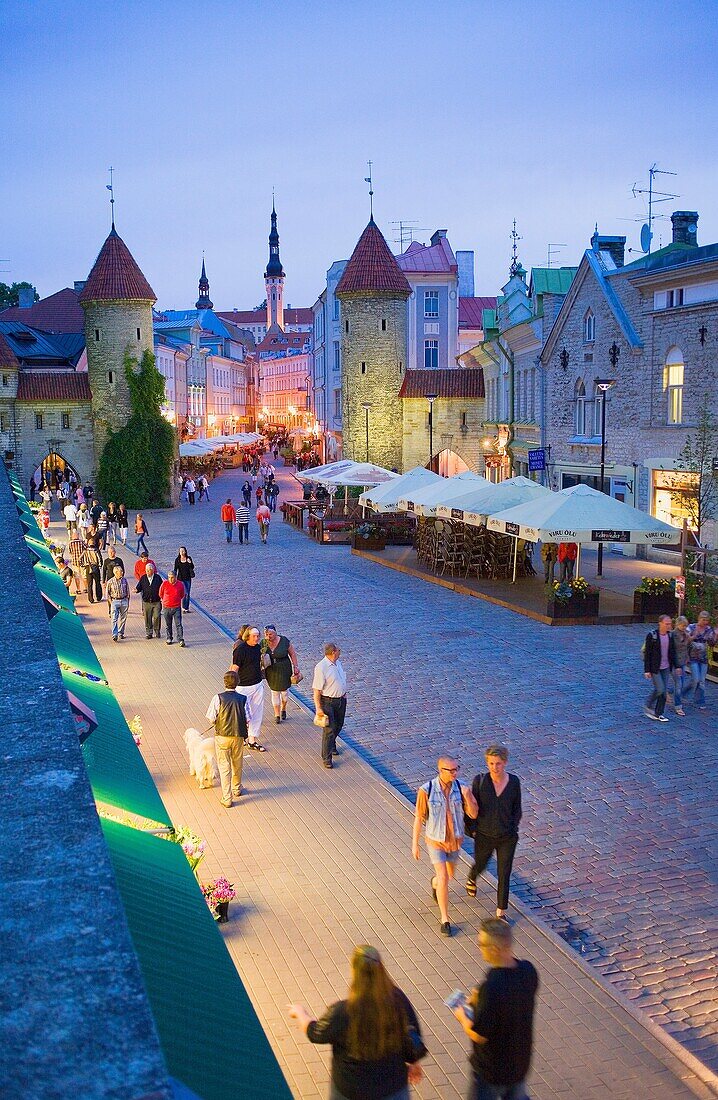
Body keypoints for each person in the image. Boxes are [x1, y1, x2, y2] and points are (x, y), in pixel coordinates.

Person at [288, 944, 426, 1100]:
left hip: (351, 1090)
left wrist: (301, 1014)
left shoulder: (342, 1011)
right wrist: (414, 1062)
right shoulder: (397, 999)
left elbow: (316, 1033)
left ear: (355, 972)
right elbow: (412, 1035)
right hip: (393, 1087)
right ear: (381, 969)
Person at [453, 918, 539, 1100]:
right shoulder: (528, 971)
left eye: (481, 944)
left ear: (494, 949)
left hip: (492, 1071)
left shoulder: (492, 987)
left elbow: (478, 1034)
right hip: (519, 1064)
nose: (479, 948)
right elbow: (511, 1002)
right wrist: (480, 998)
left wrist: (462, 1017)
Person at [412, 756, 478, 936]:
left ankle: (434, 884)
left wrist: (468, 796)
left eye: (457, 769)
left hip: (455, 840)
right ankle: (445, 919)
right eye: (451, 770)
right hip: (435, 840)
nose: (455, 773)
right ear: (441, 771)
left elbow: (473, 815)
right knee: (443, 877)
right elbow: (419, 817)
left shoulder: (461, 787)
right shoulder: (427, 790)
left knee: (449, 876)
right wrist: (415, 844)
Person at [466, 745, 522, 922]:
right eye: (491, 763)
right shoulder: (480, 781)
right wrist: (472, 830)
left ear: (504, 763)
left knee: (504, 872)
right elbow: (471, 807)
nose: (494, 767)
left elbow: (517, 808)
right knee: (481, 863)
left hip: (507, 837)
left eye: (498, 763)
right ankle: (473, 877)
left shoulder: (513, 782)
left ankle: (501, 912)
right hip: (484, 835)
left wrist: (512, 828)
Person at [206, 670, 249, 807]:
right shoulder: (243, 698)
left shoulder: (218, 698)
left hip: (222, 736)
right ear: (237, 683)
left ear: (224, 682)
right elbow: (248, 718)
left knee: (224, 766)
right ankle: (237, 788)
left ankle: (227, 797)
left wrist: (217, 723)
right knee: (237, 763)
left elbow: (211, 717)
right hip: (238, 736)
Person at [230, 626, 266, 751]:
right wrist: (231, 686)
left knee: (257, 713)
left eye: (258, 636)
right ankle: (241, 738)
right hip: (243, 687)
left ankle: (252, 740)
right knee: (243, 715)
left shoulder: (257, 648)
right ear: (248, 636)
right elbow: (234, 668)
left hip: (257, 684)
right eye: (254, 636)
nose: (257, 638)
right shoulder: (240, 650)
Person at [312, 642, 348, 769]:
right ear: (333, 652)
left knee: (339, 724)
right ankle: (326, 758)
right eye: (338, 650)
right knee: (329, 729)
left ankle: (332, 745)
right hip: (328, 702)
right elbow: (317, 690)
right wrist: (318, 708)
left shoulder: (337, 663)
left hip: (341, 700)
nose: (340, 651)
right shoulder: (321, 667)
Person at [264, 625, 301, 723]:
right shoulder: (264, 643)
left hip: (284, 668)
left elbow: (292, 653)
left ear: (276, 633)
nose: (269, 636)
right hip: (271, 670)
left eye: (270, 634)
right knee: (274, 691)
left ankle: (283, 708)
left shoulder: (284, 641)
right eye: (267, 634)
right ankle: (277, 714)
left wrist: (295, 666)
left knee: (284, 692)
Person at [644, 613, 677, 722]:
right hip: (655, 668)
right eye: (666, 624)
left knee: (662, 690)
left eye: (670, 624)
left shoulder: (670, 636)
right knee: (661, 689)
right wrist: (647, 670)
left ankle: (659, 713)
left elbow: (672, 652)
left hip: (666, 667)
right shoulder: (652, 636)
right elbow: (647, 654)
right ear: (660, 623)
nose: (669, 626)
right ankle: (649, 705)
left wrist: (676, 666)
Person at [687, 610, 715, 712]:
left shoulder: (708, 629)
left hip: (703, 658)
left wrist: (715, 636)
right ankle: (684, 692)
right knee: (696, 679)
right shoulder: (691, 627)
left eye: (707, 620)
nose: (705, 622)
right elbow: (685, 640)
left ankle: (700, 701)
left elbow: (712, 643)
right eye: (703, 620)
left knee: (702, 681)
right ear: (699, 619)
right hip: (693, 657)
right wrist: (693, 636)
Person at [671, 615, 692, 717]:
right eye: (683, 626)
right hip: (675, 663)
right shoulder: (673, 635)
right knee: (678, 684)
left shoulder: (685, 634)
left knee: (681, 683)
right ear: (677, 624)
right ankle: (678, 706)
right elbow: (673, 650)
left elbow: (687, 647)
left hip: (683, 662)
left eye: (685, 626)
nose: (684, 628)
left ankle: (674, 696)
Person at [136, 562, 163, 639]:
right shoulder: (143, 578)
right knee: (147, 618)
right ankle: (149, 633)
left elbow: (162, 588)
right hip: (146, 602)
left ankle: (157, 631)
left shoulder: (158, 578)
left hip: (156, 601)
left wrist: (163, 596)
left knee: (157, 616)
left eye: (149, 570)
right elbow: (139, 587)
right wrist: (136, 590)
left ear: (153, 570)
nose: (148, 572)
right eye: (146, 570)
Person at [159, 570, 186, 647]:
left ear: (175, 577)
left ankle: (180, 639)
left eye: (172, 577)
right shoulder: (164, 584)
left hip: (176, 607)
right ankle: (169, 638)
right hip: (167, 607)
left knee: (179, 624)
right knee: (168, 624)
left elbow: (182, 595)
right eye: (169, 577)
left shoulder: (180, 585)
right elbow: (160, 594)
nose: (170, 579)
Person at [107, 564, 130, 642]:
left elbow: (128, 591)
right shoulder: (110, 582)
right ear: (116, 573)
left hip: (124, 601)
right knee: (114, 619)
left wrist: (127, 601)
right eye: (121, 572)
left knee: (123, 618)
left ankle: (121, 633)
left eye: (122, 571)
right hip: (115, 601)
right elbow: (107, 594)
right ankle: (114, 634)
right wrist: (111, 603)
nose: (122, 573)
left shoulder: (125, 580)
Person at [80, 538, 103, 604]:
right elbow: (100, 559)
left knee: (89, 584)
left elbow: (80, 558)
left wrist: (83, 565)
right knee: (97, 583)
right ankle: (98, 597)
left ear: (88, 543)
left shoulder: (86, 550)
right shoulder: (96, 550)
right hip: (95, 568)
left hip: (88, 568)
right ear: (94, 543)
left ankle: (91, 599)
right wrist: (99, 565)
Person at [174, 546, 196, 611]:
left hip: (188, 578)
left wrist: (190, 563)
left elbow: (192, 567)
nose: (182, 552)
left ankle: (187, 608)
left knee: (188, 593)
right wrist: (174, 577)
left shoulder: (188, 558)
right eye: (180, 551)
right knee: (185, 592)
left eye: (183, 551)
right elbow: (175, 569)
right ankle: (183, 607)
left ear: (185, 551)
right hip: (181, 579)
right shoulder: (177, 560)